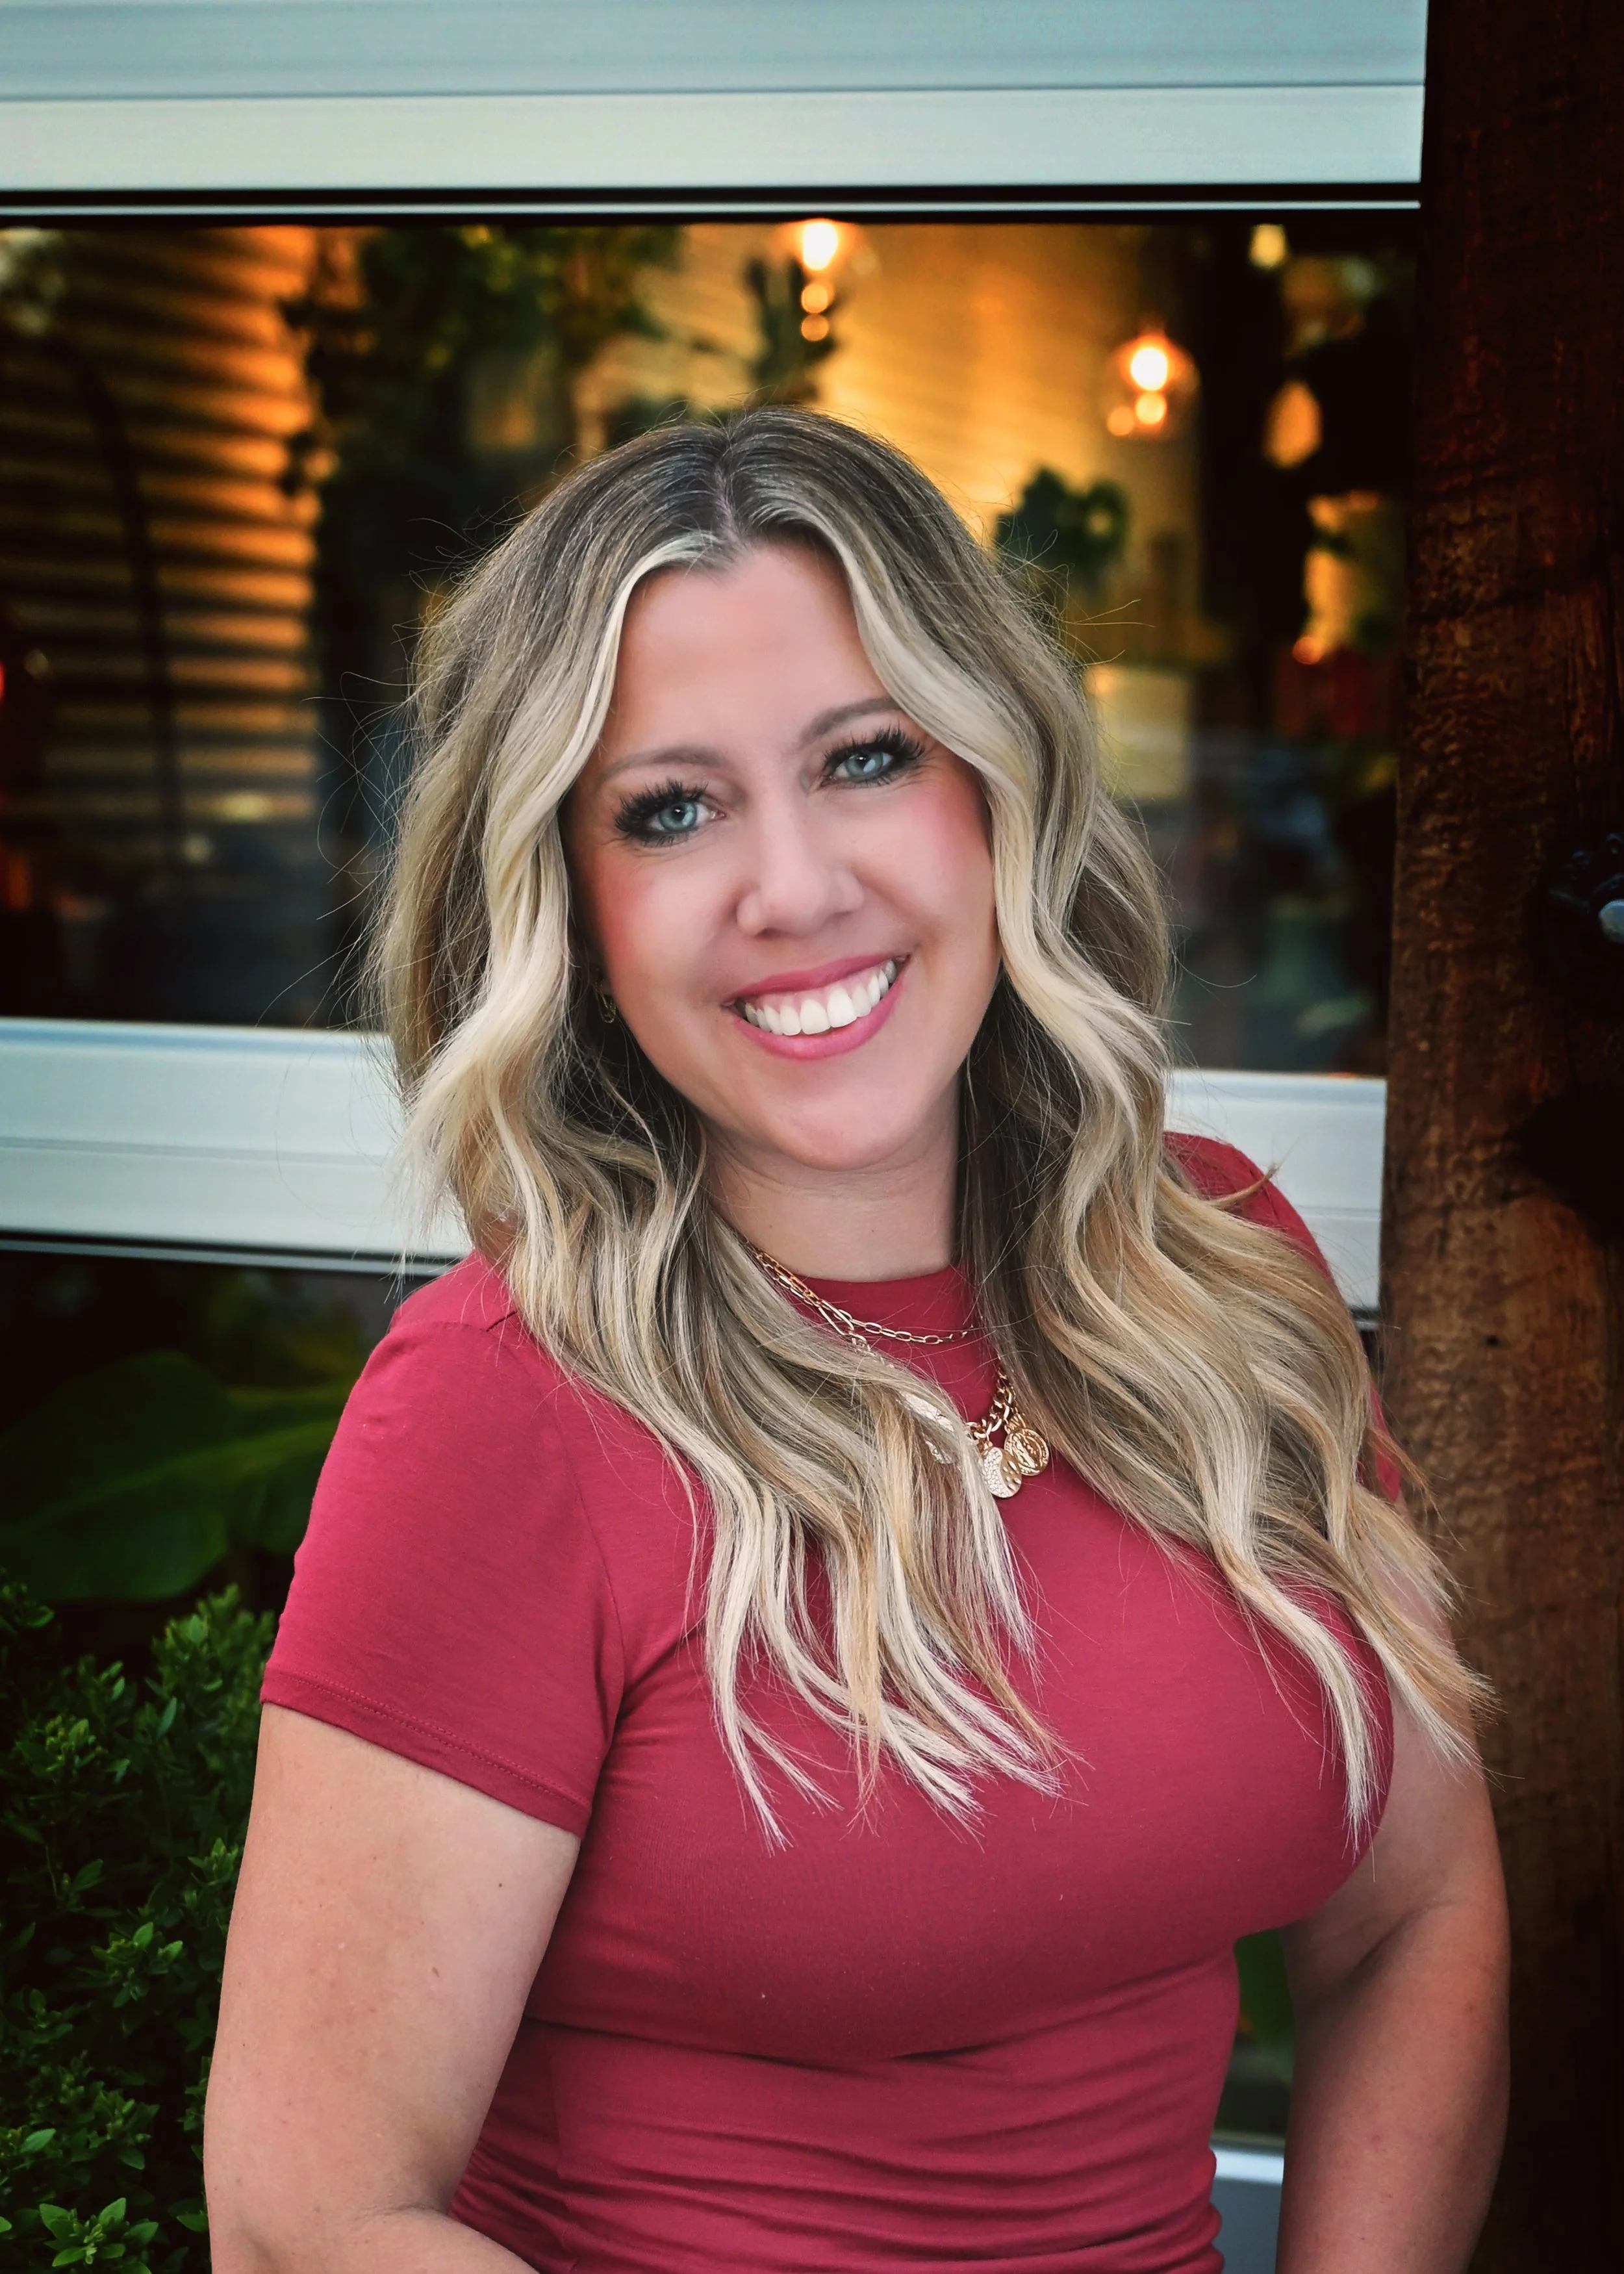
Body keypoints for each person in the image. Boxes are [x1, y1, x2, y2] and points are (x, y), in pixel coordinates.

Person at [204, 410, 1508, 2273]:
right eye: (670, 806)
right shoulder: (505, 1409)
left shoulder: (1218, 1273)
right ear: (566, 901)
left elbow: (1413, 1911)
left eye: (865, 758)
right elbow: (308, 2215)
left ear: (996, 786)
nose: (794, 884)